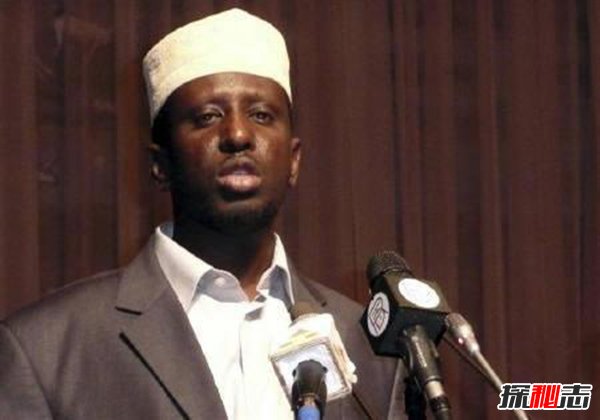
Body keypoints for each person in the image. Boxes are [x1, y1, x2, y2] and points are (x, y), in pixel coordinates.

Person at [0, 8, 403, 419]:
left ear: (294, 160)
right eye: (208, 116)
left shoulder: (369, 351)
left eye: (261, 115)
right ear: (161, 165)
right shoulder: (46, 350)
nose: (238, 135)